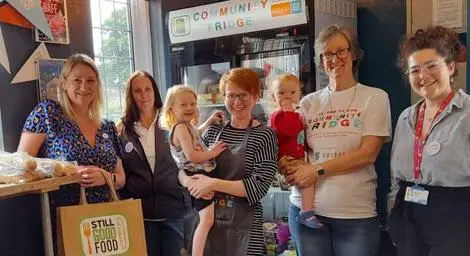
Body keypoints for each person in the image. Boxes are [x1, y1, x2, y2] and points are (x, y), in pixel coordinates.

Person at [281, 25, 392, 256]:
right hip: (305, 212)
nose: (335, 59)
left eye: (341, 51)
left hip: (354, 215)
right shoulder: (309, 102)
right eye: (327, 54)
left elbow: (367, 154)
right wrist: (286, 165)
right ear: (321, 61)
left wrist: (316, 171)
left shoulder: (374, 97)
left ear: (353, 54)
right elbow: (294, 145)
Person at [18, 53, 126, 254]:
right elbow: (22, 165)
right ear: (64, 83)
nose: (84, 87)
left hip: (108, 221)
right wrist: (67, 171)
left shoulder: (107, 126)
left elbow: (121, 179)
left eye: (90, 80)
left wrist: (105, 177)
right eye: (77, 80)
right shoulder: (48, 114)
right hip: (69, 218)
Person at [179, 67, 278, 256]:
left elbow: (258, 186)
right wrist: (188, 181)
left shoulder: (264, 135)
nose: (237, 102)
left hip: (245, 228)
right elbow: (184, 165)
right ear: (223, 97)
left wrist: (211, 183)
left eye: (243, 95)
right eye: (231, 96)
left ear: (255, 96)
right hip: (208, 224)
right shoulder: (212, 132)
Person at [389, 26, 470, 256]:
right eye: (415, 70)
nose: (423, 76)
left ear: (451, 67)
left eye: (432, 65)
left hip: (455, 216)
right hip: (408, 213)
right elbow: (396, 177)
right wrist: (394, 215)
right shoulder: (406, 117)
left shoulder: (468, 114)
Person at [117, 71, 190, 256]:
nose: (144, 95)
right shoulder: (122, 130)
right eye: (138, 91)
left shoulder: (171, 121)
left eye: (148, 89)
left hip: (174, 211)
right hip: (140, 215)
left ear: (154, 92)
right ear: (130, 96)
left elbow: (190, 154)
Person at [159, 85, 226, 256]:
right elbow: (191, 156)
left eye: (193, 104)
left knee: (207, 218)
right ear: (171, 108)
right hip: (197, 175)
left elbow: (197, 133)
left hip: (201, 173)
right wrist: (213, 152)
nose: (190, 108)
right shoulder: (180, 128)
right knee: (207, 219)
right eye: (183, 105)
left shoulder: (186, 126)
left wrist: (209, 122)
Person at [269, 73, 321, 228]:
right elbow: (291, 131)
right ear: (273, 97)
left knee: (309, 178)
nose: (287, 97)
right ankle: (306, 213)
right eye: (281, 93)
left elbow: (300, 136)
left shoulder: (296, 114)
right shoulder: (277, 115)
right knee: (308, 180)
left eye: (292, 92)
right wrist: (289, 112)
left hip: (297, 155)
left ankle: (306, 211)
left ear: (299, 94)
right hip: (286, 157)